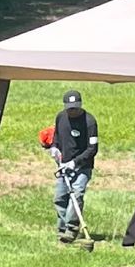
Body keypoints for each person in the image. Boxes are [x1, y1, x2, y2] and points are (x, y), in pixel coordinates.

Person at [39, 90, 99, 243]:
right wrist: (54, 148)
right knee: (60, 197)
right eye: (70, 108)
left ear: (80, 105)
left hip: (82, 166)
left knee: (76, 194)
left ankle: (71, 229)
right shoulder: (61, 117)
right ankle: (62, 229)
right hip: (63, 166)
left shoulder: (89, 122)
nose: (73, 111)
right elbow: (57, 136)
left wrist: (75, 163)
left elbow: (92, 149)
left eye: (75, 108)